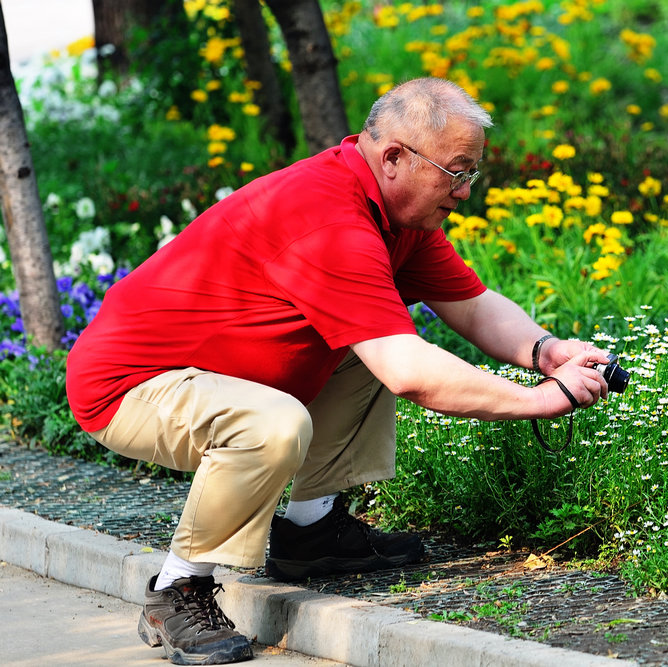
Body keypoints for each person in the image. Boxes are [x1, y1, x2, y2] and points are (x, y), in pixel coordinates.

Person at [66, 77, 611, 665]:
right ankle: (178, 589)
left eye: (473, 171)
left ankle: (311, 532)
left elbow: (473, 305)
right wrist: (539, 399)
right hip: (129, 386)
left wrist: (545, 350)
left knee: (371, 343)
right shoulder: (328, 217)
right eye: (458, 170)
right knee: (274, 423)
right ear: (396, 158)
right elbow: (411, 374)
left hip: (211, 377)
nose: (467, 189)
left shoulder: (396, 215)